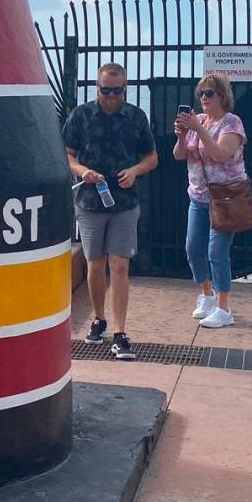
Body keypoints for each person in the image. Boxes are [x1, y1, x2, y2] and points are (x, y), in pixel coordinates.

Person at [63, 63, 158, 360]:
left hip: (125, 202)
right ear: (97, 87)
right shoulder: (81, 116)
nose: (112, 96)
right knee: (95, 263)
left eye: (118, 91)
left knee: (120, 264)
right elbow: (66, 154)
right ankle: (99, 318)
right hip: (90, 201)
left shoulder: (135, 116)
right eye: (106, 90)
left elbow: (151, 157)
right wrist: (82, 171)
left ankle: (120, 332)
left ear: (125, 89)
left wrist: (135, 171)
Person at [173, 74, 247, 328]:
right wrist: (182, 135)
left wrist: (199, 129)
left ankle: (224, 308)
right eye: (201, 93)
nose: (203, 98)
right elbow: (179, 155)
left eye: (209, 93)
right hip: (198, 197)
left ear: (222, 96)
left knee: (217, 252)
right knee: (193, 248)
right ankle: (207, 294)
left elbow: (219, 154)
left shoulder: (231, 123)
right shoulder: (199, 121)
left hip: (225, 197)